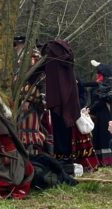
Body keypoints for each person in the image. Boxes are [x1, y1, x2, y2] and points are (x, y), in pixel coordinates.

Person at [41, 40, 99, 172]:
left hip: (72, 111)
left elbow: (82, 91)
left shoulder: (64, 69)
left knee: (72, 136)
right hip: (68, 109)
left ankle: (73, 162)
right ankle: (65, 161)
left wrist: (79, 105)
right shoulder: (63, 68)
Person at [89, 60, 112, 166]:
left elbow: (101, 101)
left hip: (105, 116)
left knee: (104, 137)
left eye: (100, 73)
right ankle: (101, 161)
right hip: (99, 116)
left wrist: (90, 109)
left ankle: (107, 161)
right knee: (98, 137)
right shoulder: (102, 86)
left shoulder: (107, 87)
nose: (98, 75)